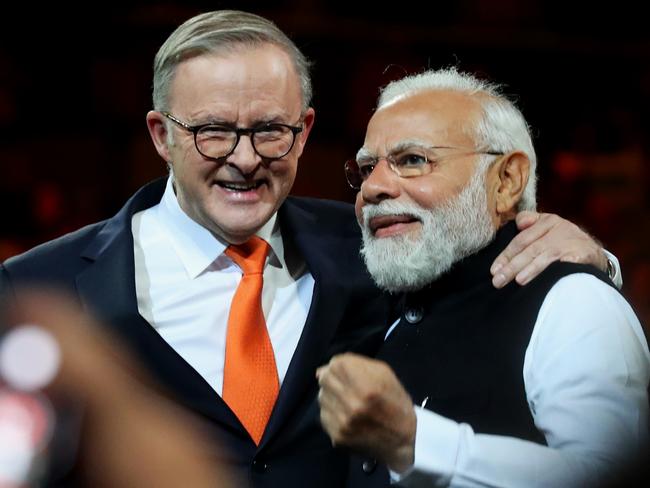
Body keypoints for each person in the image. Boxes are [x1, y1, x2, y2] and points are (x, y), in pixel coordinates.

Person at [0, 10, 623, 487]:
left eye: (270, 131)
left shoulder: (373, 250)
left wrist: (588, 258)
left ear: (305, 132)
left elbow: (479, 259)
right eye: (214, 131)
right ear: (162, 136)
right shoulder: (38, 289)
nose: (244, 160)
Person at [316, 67, 650, 487]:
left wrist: (417, 442)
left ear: (506, 180)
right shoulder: (368, 297)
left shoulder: (573, 302)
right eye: (367, 169)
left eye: (413, 160)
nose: (374, 188)